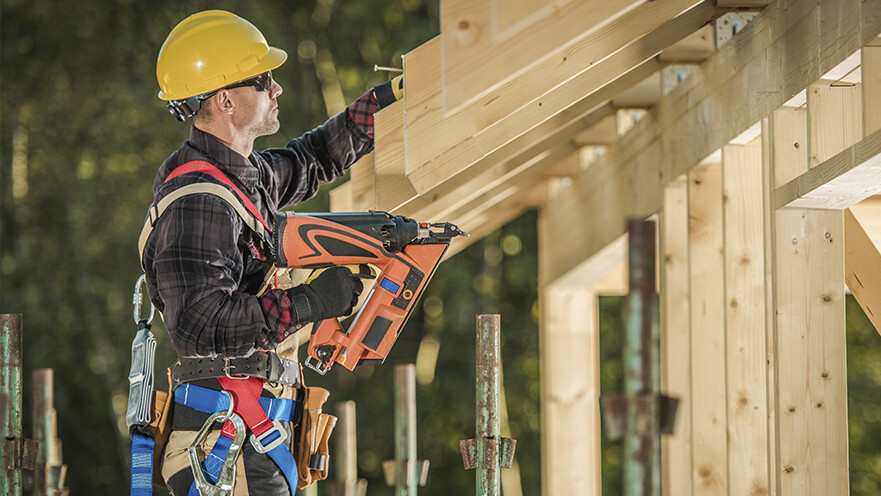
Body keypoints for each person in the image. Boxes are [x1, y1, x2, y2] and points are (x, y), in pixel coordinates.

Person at [140, 10, 401, 495]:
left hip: (247, 434)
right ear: (225, 100)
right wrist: (310, 303)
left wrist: (387, 102)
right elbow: (199, 324)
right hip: (225, 443)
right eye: (263, 80)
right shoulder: (199, 198)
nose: (276, 88)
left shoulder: (242, 177)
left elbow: (314, 158)